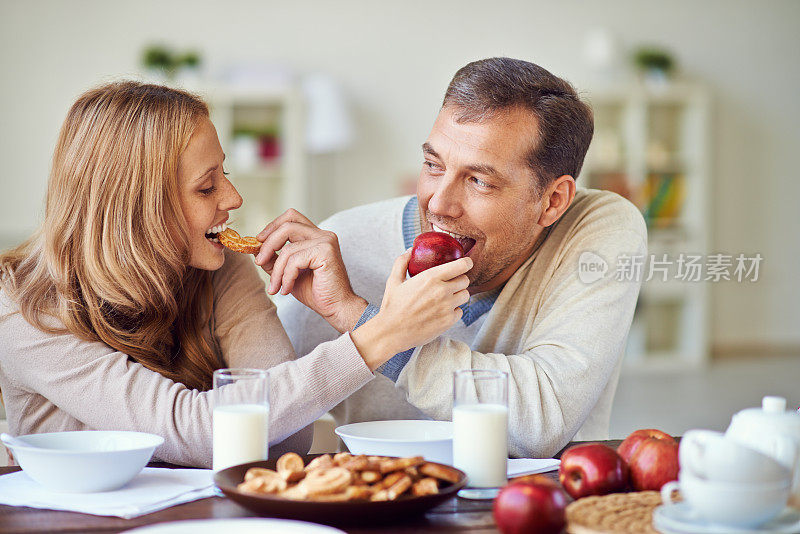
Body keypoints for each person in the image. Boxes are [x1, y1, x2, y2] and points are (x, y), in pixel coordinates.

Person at [0, 81, 472, 468]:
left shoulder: (222, 270)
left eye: (223, 174)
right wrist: (379, 336)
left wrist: (349, 317)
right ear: (135, 210)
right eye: (206, 187)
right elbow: (198, 430)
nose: (232, 198)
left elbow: (288, 439)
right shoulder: (23, 308)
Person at [264, 58, 648, 458]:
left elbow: (540, 422)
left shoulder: (597, 227)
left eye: (479, 181)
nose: (440, 203)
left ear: (552, 202)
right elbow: (260, 420)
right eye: (433, 165)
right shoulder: (342, 251)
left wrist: (358, 319)